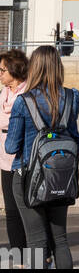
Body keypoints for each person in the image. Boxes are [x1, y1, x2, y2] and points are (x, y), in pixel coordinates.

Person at [5, 45, 79, 270]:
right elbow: (77, 141)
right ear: (58, 67)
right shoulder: (71, 97)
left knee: (36, 240)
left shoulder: (23, 101)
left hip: (29, 177)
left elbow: (11, 147)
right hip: (61, 177)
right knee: (61, 240)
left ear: (34, 68)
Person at [0, 48, 29, 260]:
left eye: (2, 70)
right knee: (11, 211)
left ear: (14, 70)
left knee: (28, 211)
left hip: (24, 159)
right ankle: (19, 261)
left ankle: (39, 257)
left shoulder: (27, 94)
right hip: (5, 159)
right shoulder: (4, 94)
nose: (0, 74)